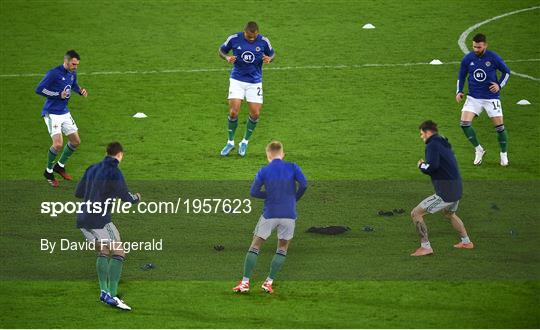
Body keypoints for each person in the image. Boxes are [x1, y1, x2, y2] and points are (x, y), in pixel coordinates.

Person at [233, 141, 307, 293]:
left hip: (270, 213)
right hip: (289, 215)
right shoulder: (293, 167)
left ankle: (245, 283)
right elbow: (304, 185)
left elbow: (253, 192)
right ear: (283, 153)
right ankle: (268, 282)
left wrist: (269, 195)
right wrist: (293, 198)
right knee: (282, 247)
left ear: (268, 155)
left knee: (255, 245)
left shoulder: (264, 170)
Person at [75, 142, 141, 310]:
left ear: (107, 152)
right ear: (120, 155)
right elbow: (126, 197)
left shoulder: (92, 168)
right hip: (100, 220)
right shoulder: (115, 172)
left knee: (104, 250)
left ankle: (104, 293)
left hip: (83, 220)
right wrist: (136, 198)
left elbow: (78, 193)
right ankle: (111, 295)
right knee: (119, 251)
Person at [410, 121, 474, 257]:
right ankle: (466, 242)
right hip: (457, 187)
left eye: (422, 134)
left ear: (428, 132)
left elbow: (432, 166)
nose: (421, 137)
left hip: (446, 192)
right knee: (449, 214)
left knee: (416, 213)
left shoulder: (432, 145)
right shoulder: (442, 141)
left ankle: (426, 247)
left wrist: (421, 165)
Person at [218, 21, 275, 157]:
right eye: (249, 36)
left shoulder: (263, 41)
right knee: (233, 112)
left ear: (257, 32)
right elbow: (221, 50)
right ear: (245, 31)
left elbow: (272, 54)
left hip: (254, 82)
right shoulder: (234, 38)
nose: (251, 38)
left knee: (255, 114)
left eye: (254, 36)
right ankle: (230, 142)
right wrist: (227, 57)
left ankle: (244, 142)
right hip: (237, 80)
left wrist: (269, 59)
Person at [456, 33, 511, 166]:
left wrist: (499, 85)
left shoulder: (493, 57)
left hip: (491, 98)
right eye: (474, 47)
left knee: (499, 127)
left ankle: (503, 154)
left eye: (479, 47)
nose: (476, 49)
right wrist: (459, 91)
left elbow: (507, 72)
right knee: (464, 124)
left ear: (485, 45)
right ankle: (478, 150)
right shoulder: (468, 58)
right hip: (473, 97)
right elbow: (461, 75)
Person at [36, 50, 88, 186]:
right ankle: (48, 171)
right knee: (58, 144)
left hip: (64, 112)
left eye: (77, 64)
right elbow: (40, 89)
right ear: (66, 61)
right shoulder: (53, 73)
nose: (75, 67)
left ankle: (59, 166)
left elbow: (73, 85)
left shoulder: (72, 73)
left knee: (76, 141)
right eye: (73, 64)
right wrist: (58, 94)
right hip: (52, 112)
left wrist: (80, 91)